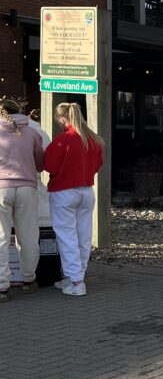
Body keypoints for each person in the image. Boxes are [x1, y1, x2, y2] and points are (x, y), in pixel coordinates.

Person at [43, 102, 103, 297]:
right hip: (86, 191)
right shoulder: (92, 139)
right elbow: (97, 165)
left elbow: (49, 165)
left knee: (66, 236)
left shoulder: (63, 140)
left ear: (62, 118)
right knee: (83, 236)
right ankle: (77, 277)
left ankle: (75, 281)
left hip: (63, 191)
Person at [0, 99, 44, 302]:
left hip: (1, 188)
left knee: (1, 238)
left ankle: (2, 287)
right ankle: (29, 280)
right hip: (27, 187)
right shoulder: (32, 132)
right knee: (27, 235)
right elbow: (40, 163)